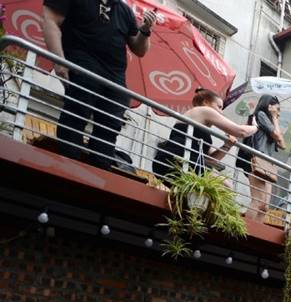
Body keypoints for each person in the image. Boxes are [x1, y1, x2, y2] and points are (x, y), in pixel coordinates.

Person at [42, 0, 156, 170]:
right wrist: (59, 61)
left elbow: (140, 49)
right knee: (76, 116)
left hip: (115, 79)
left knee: (108, 131)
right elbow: (50, 20)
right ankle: (67, 169)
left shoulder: (124, 10)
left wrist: (145, 30)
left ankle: (99, 176)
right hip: (83, 64)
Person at [152, 88, 256, 182]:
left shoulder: (199, 127)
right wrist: (257, 127)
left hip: (175, 161)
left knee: (223, 184)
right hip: (179, 160)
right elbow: (241, 131)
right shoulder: (204, 110)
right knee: (225, 185)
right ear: (206, 102)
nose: (221, 112)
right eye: (219, 107)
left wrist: (227, 146)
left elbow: (210, 160)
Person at [239, 95, 285, 221]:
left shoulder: (271, 122)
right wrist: (275, 119)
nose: (278, 112)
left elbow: (282, 144)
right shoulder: (260, 114)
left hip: (266, 164)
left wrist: (275, 120)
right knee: (257, 201)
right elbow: (276, 135)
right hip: (256, 159)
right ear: (269, 106)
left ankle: (256, 229)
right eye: (277, 108)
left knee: (264, 206)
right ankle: (247, 231)